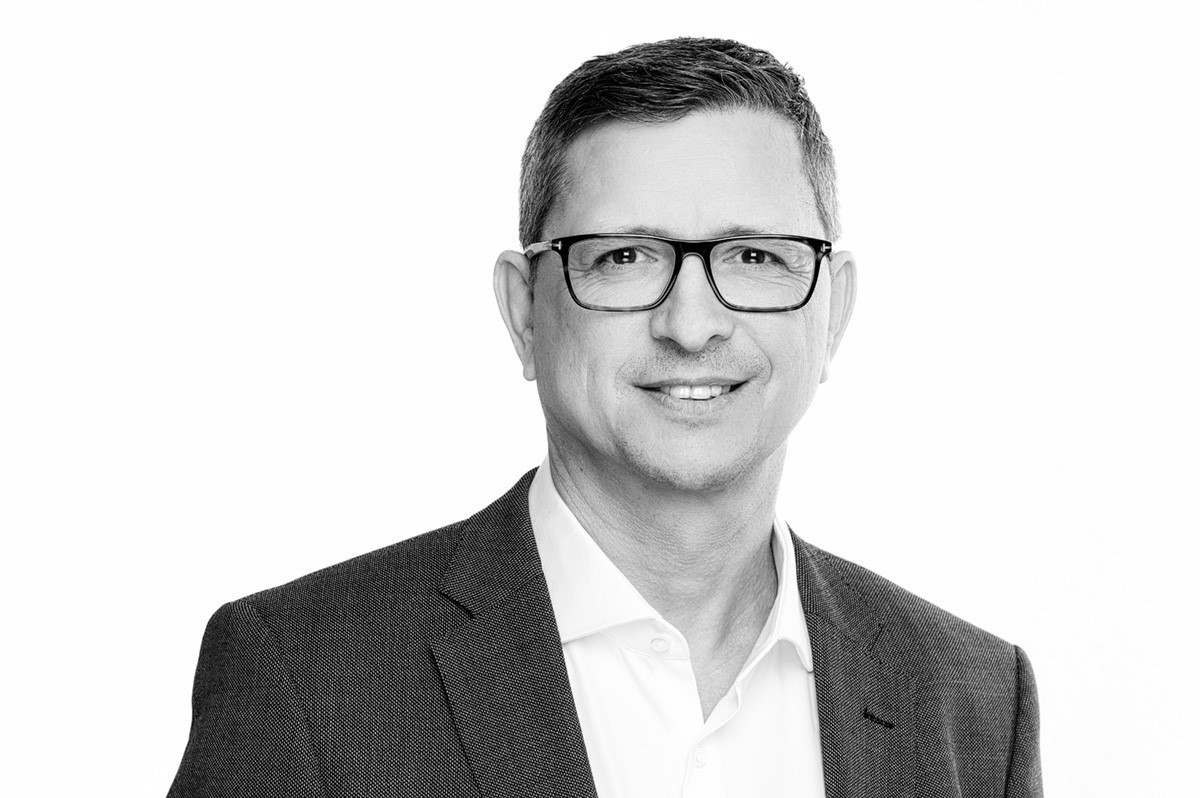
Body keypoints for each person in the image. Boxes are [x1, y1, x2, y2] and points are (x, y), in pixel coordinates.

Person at [167, 37, 1042, 797]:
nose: (692, 325)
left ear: (833, 311)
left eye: (755, 256)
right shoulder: (305, 676)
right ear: (524, 310)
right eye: (624, 257)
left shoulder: (970, 701)